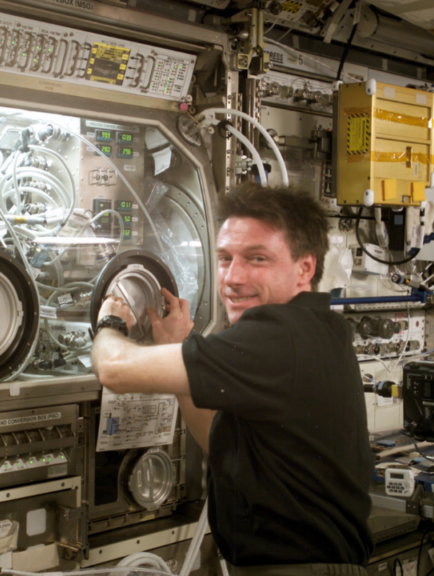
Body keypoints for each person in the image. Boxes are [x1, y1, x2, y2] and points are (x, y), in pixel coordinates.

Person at [91, 183, 374, 574]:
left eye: (257, 259)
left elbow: (114, 370)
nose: (232, 278)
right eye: (224, 258)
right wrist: (181, 345)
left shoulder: (277, 336)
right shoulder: (319, 328)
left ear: (305, 267)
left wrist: (110, 320)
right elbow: (218, 440)